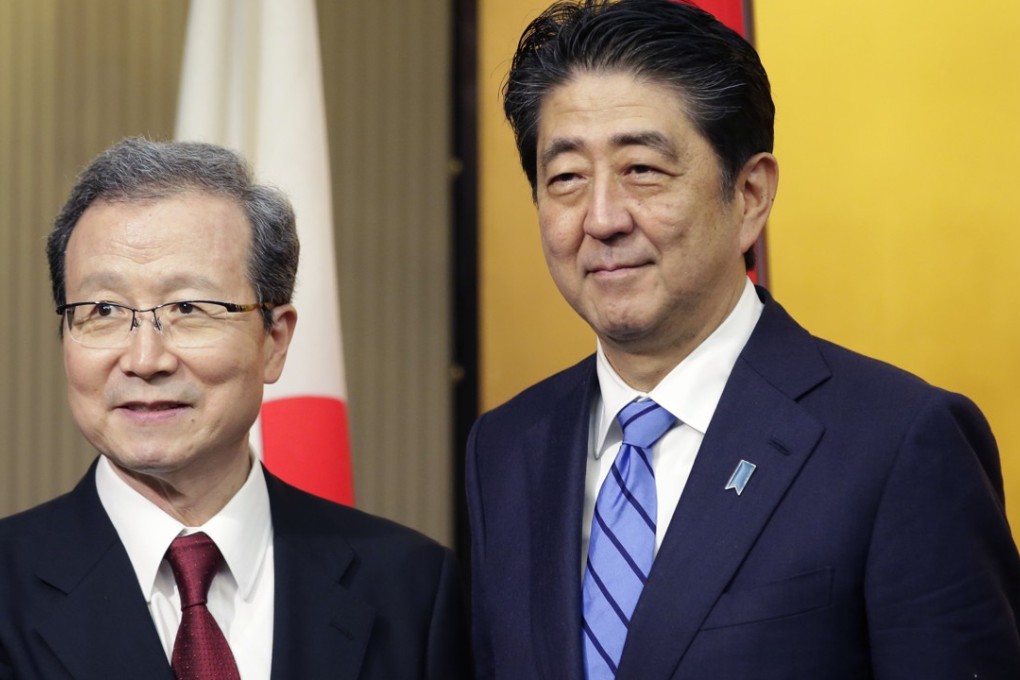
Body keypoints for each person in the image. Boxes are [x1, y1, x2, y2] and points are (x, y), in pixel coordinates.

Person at [465, 1, 1020, 678]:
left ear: (750, 194)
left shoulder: (900, 442)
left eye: (642, 168)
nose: (602, 218)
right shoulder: (507, 448)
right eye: (567, 179)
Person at [0, 137, 468, 680]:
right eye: (103, 309)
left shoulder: (408, 586)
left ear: (274, 340)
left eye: (189, 308)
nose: (145, 359)